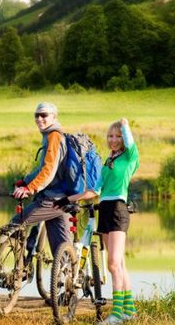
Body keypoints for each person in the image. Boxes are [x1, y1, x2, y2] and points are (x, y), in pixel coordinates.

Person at [58, 118, 139, 324]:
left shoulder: (130, 157)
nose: (113, 140)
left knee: (112, 264)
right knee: (119, 263)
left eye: (117, 136)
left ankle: (117, 314)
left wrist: (125, 125)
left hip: (118, 210)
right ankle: (129, 311)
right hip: (104, 208)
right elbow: (95, 190)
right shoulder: (109, 160)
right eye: (110, 136)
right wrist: (68, 199)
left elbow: (130, 143)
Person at [11, 102, 72, 267]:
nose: (39, 118)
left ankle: (20, 268)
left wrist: (30, 188)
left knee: (14, 225)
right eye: (36, 115)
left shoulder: (54, 136)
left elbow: (48, 171)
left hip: (52, 198)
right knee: (63, 250)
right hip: (64, 197)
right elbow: (41, 168)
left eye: (44, 115)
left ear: (54, 117)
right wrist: (25, 180)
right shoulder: (53, 135)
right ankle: (68, 285)